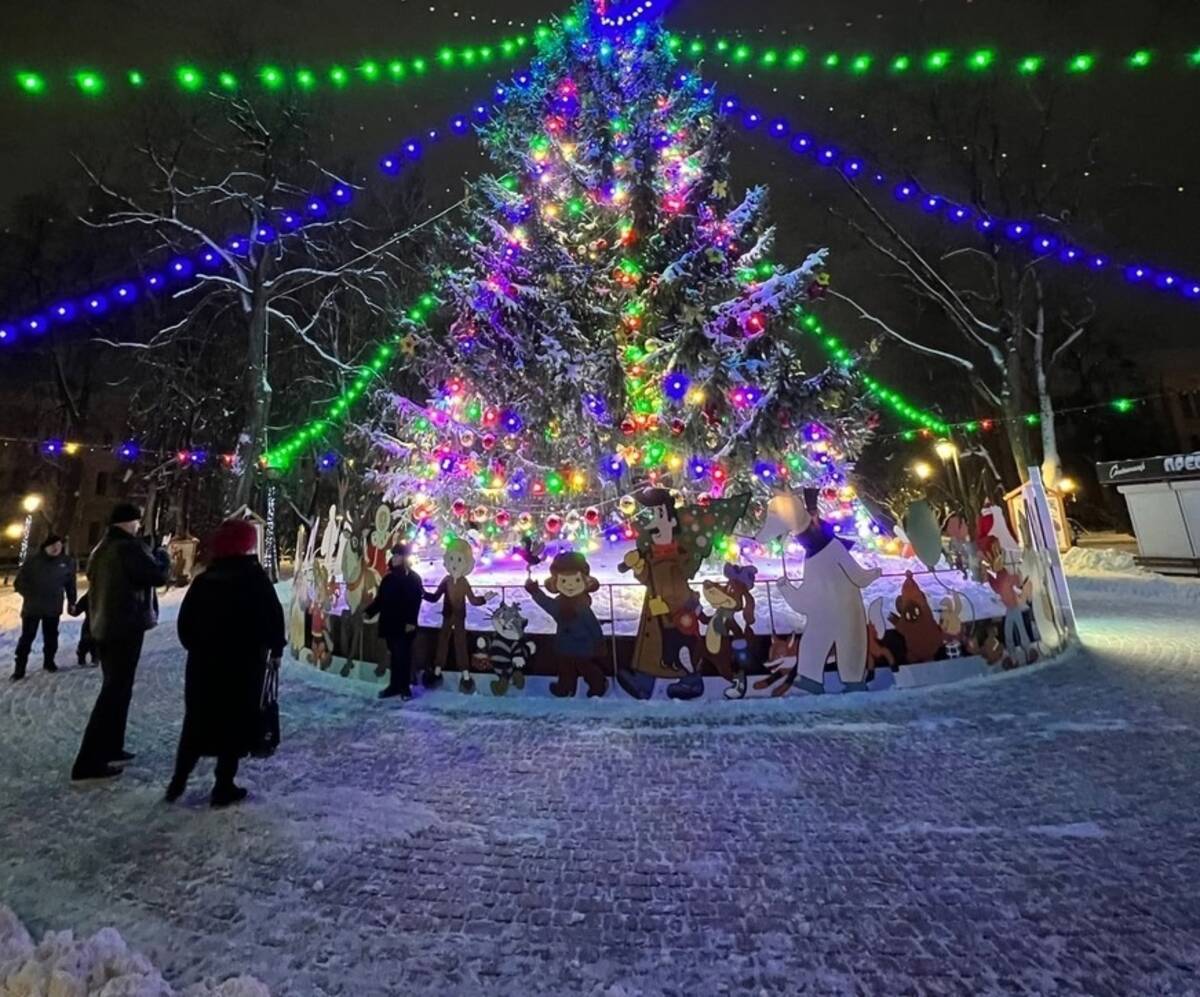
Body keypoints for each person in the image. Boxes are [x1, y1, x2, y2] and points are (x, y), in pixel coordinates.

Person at [166, 519, 285, 807]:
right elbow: (272, 616)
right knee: (234, 723)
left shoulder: (206, 579)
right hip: (243, 666)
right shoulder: (254, 578)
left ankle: (178, 780)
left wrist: (198, 646)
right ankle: (223, 785)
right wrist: (274, 649)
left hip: (204, 665)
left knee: (196, 722)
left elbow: (186, 624)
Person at [71, 503, 170, 782]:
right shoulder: (127, 548)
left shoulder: (101, 549)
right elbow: (157, 575)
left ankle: (111, 746)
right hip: (125, 626)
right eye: (137, 522)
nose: (139, 526)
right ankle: (89, 761)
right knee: (114, 692)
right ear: (128, 523)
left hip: (106, 625)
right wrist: (163, 554)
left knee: (119, 689)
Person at [363, 544, 424, 700]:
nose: (394, 558)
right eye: (394, 555)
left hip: (404, 625)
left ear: (404, 558)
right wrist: (369, 612)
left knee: (403, 656)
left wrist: (411, 622)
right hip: (390, 623)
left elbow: (415, 602)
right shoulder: (388, 578)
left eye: (397, 556)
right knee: (395, 656)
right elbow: (381, 599)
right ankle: (394, 686)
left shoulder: (413, 579)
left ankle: (405, 688)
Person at [12, 534, 76, 681]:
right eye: (52, 546)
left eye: (59, 546)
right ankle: (19, 668)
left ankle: (49, 662)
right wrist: (30, 594)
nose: (56, 548)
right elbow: (19, 583)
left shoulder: (67, 562)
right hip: (32, 608)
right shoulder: (33, 562)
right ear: (45, 547)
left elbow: (70, 585)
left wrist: (72, 602)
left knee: (51, 636)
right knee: (27, 638)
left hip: (53, 608)